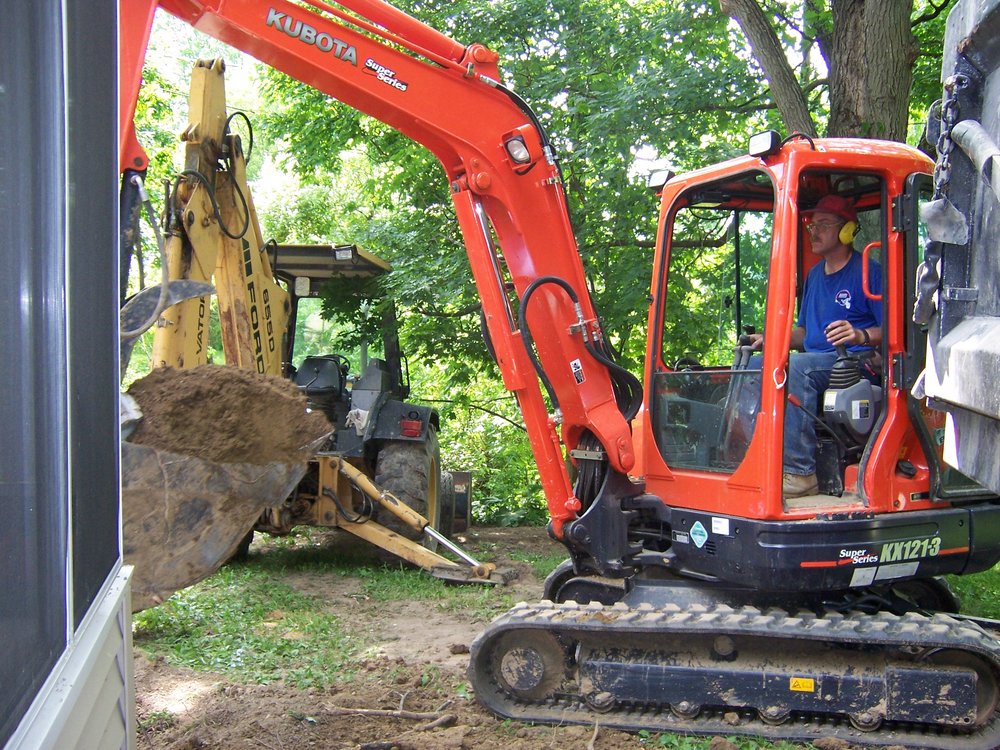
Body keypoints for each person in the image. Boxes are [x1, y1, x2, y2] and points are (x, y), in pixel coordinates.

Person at [751, 194, 882, 498]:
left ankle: (800, 473)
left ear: (847, 230)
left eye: (823, 224)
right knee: (755, 365)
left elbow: (893, 330)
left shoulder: (868, 272)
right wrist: (771, 341)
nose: (814, 231)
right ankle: (756, 460)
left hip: (854, 364)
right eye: (812, 225)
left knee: (799, 367)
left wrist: (860, 335)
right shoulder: (813, 275)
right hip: (816, 363)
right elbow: (804, 332)